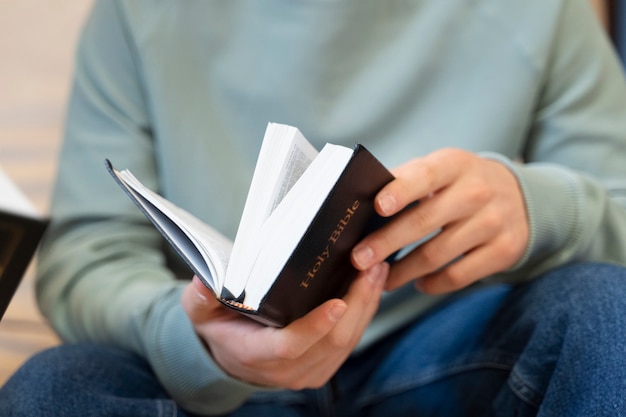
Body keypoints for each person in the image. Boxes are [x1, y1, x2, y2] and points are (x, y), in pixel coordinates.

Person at [2, 0, 626, 415]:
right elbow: (87, 258)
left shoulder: (544, 12)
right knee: (55, 388)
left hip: (446, 350)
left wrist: (540, 209)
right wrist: (192, 341)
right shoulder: (135, 14)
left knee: (607, 313)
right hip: (217, 379)